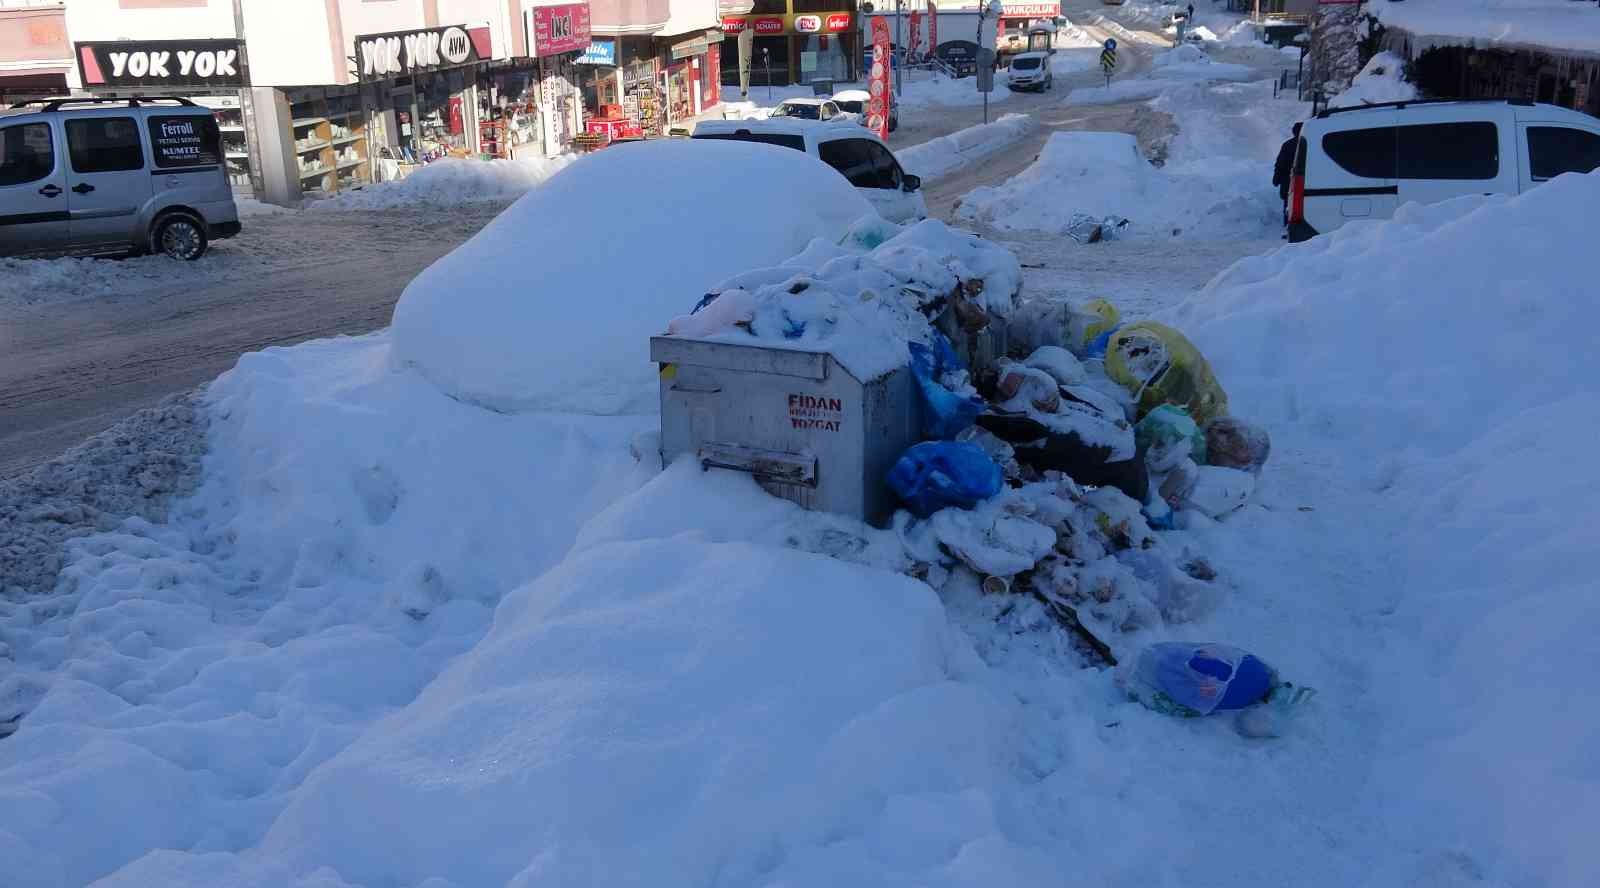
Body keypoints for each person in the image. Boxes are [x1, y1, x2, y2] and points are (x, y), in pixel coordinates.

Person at [1273, 122, 1302, 223]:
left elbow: (1280, 163)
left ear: (1294, 132)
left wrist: (1276, 178)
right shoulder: (1310, 143)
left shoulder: (1287, 145)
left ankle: (1288, 225)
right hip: (1306, 180)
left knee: (1288, 204)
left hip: (1288, 180)